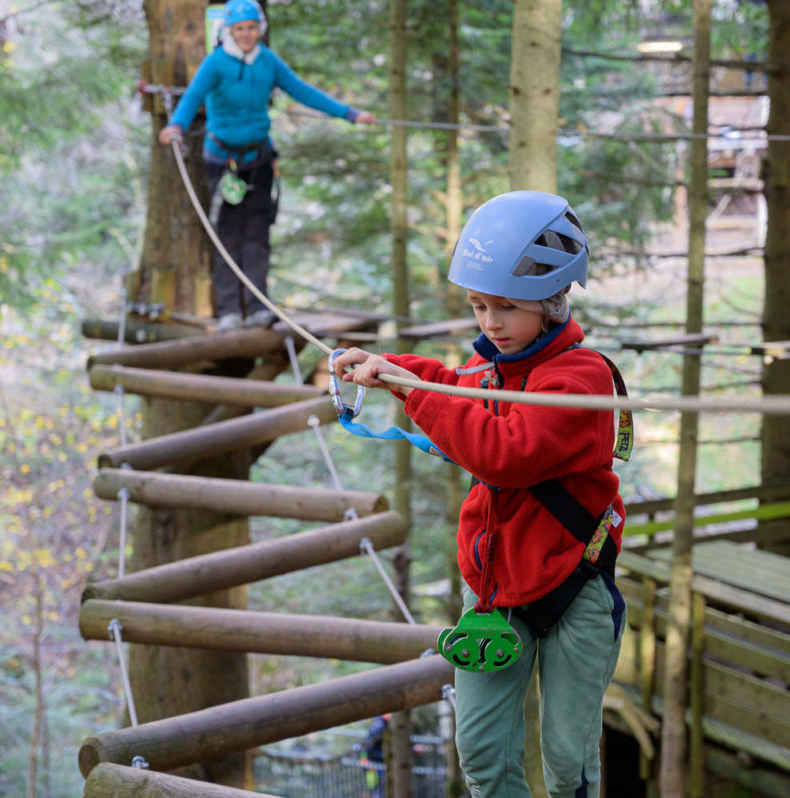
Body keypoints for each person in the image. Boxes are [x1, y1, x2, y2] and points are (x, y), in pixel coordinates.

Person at [332, 190, 628, 798]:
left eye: (506, 308)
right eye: (478, 306)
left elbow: (505, 453)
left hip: (575, 583)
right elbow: (448, 383)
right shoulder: (491, 369)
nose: (490, 323)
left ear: (550, 303)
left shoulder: (580, 380)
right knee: (484, 757)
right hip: (495, 590)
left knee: (569, 761)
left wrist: (414, 394)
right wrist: (385, 364)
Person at [160, 0, 376, 331]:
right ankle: (230, 311)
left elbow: (303, 92)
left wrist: (349, 114)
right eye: (240, 29)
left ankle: (260, 305)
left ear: (260, 29)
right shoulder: (216, 63)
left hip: (259, 159)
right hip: (223, 162)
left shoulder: (267, 61)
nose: (247, 35)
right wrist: (176, 125)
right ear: (229, 31)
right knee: (228, 235)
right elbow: (192, 97)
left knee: (258, 233)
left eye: (252, 28)